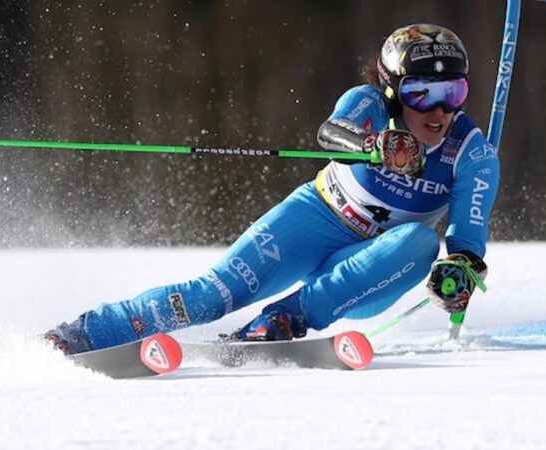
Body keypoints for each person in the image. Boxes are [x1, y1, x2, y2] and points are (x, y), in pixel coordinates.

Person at [44, 23, 500, 354]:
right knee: (210, 295)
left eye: (453, 93)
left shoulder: (470, 152)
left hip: (369, 267)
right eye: (422, 93)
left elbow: (466, 243)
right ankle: (85, 333)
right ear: (389, 91)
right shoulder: (366, 105)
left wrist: (456, 275)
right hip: (315, 218)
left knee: (421, 242)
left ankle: (284, 319)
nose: (439, 111)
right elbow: (332, 134)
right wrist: (374, 144)